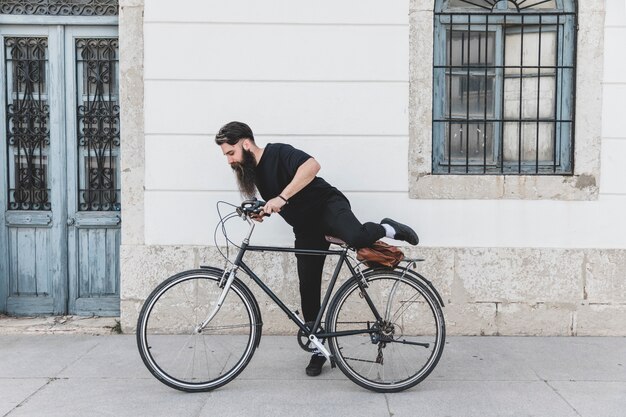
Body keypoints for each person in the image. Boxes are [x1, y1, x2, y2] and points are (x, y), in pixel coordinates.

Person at [215, 121, 418, 377]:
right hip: (306, 227)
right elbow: (277, 199)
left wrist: (281, 198)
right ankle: (317, 347)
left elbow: (312, 166)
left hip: (327, 206)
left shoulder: (277, 152)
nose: (229, 160)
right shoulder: (254, 172)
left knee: (356, 236)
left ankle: (388, 228)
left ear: (245, 143)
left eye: (230, 153)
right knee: (307, 286)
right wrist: (262, 209)